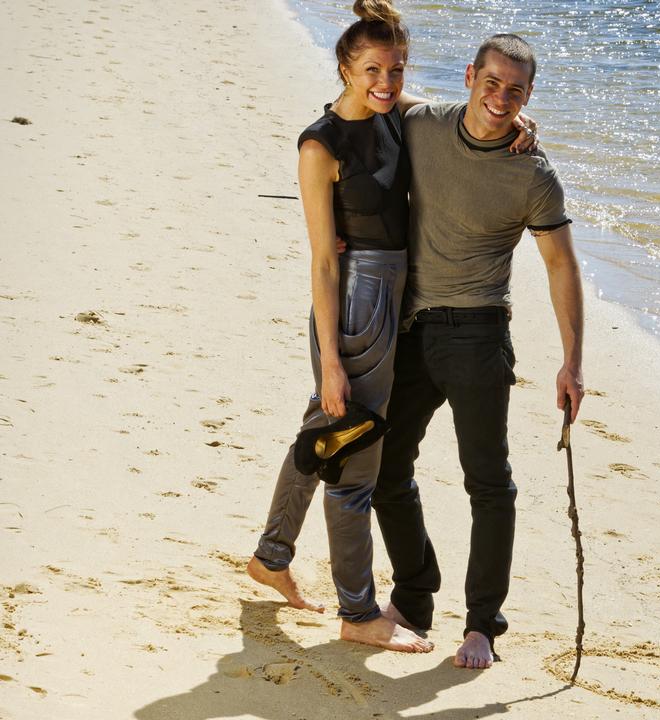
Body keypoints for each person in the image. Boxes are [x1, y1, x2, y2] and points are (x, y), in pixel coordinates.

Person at [243, 2, 538, 653]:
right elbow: (322, 259)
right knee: (355, 454)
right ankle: (357, 611)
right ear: (344, 64)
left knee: (326, 426)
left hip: (401, 292)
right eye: (372, 68)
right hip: (358, 303)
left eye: (397, 69)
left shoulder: (396, 118)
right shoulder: (321, 145)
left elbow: (466, 119)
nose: (386, 80)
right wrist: (328, 360)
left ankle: (271, 554)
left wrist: (520, 121)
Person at [370, 33, 585, 670]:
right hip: (409, 328)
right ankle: (413, 598)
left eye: (515, 91)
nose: (500, 98)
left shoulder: (534, 174)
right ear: (469, 76)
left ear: (529, 96)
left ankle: (482, 626)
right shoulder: (424, 124)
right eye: (491, 83)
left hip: (479, 334)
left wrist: (572, 360)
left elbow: (560, 265)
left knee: (488, 484)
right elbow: (372, 91)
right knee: (384, 470)